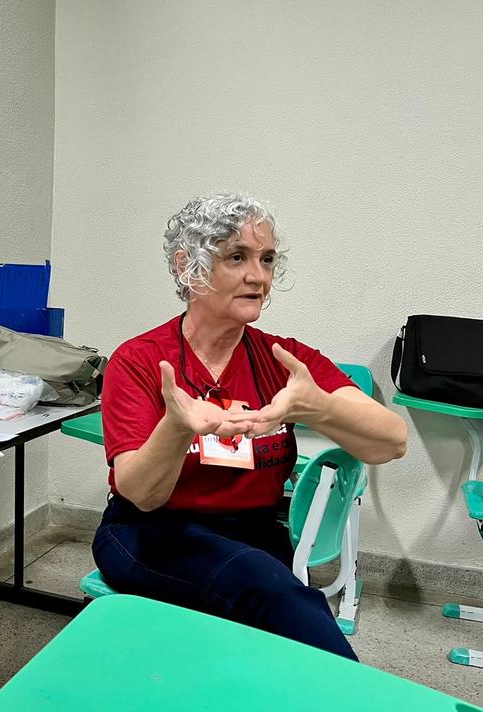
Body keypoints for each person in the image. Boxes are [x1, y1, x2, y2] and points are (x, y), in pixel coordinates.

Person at [94, 193, 407, 660]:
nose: (259, 277)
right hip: (152, 532)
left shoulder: (281, 359)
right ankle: (355, 696)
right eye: (236, 257)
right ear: (188, 266)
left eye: (267, 259)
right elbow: (141, 493)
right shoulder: (140, 361)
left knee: (269, 614)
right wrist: (177, 429)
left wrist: (317, 407)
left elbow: (391, 442)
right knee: (270, 591)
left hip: (256, 535)